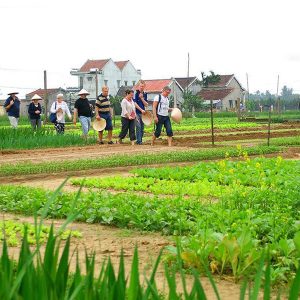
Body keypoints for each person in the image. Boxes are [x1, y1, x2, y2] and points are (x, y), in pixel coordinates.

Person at [134, 80, 148, 145]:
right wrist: (141, 110)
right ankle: (138, 141)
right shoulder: (135, 93)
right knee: (138, 126)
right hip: (136, 112)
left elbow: (146, 104)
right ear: (138, 86)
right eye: (140, 86)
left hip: (143, 113)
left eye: (143, 86)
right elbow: (135, 103)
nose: (141, 87)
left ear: (144, 86)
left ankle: (140, 140)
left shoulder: (145, 94)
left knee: (142, 127)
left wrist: (142, 98)